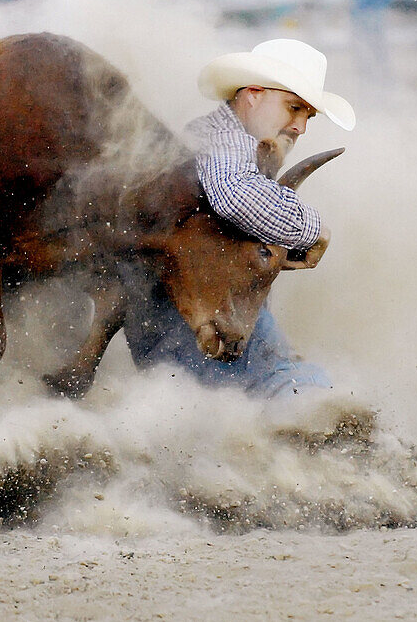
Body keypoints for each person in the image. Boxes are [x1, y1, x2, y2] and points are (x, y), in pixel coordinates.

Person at [122, 39, 356, 400]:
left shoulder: (235, 142)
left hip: (190, 316)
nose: (300, 127)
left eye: (308, 116)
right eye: (293, 108)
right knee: (288, 387)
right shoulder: (223, 137)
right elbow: (234, 195)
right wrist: (314, 231)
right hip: (188, 315)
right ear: (253, 95)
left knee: (262, 389)